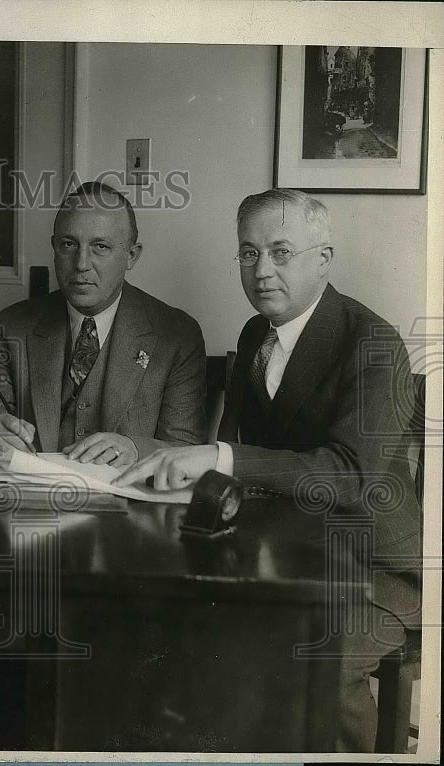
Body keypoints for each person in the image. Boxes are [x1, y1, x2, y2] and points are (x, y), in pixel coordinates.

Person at [114, 188, 422, 752]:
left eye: (281, 252)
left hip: (372, 565)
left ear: (323, 258)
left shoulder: (373, 342)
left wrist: (219, 457)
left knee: (316, 659)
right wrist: (156, 463)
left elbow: (351, 475)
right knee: (181, 634)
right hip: (286, 553)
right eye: (248, 253)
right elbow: (235, 452)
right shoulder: (255, 335)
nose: (262, 270)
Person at [0, 181, 206, 462]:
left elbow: (185, 447)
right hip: (35, 498)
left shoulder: (177, 334)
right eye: (68, 244)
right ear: (54, 248)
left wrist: (136, 449)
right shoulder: (13, 326)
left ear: (131, 256)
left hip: (125, 499)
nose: (81, 263)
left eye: (100, 246)